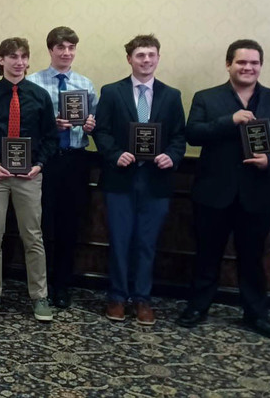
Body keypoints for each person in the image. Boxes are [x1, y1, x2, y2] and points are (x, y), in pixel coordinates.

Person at [177, 40, 270, 340]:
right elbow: (192, 134)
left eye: (254, 63)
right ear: (228, 64)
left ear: (260, 66)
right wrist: (228, 121)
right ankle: (198, 307)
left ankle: (256, 314)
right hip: (213, 193)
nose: (248, 68)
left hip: (258, 195)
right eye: (241, 63)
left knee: (253, 258)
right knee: (207, 255)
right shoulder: (207, 98)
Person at [94, 34, 186, 325]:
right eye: (140, 55)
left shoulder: (172, 96)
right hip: (120, 179)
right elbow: (102, 131)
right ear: (129, 59)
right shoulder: (111, 92)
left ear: (158, 58)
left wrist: (171, 156)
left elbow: (179, 137)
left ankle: (143, 299)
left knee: (147, 242)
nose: (146, 60)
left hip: (156, 181)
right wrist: (114, 153)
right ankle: (117, 297)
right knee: (120, 240)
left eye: (151, 55)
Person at [0, 37, 58, 321]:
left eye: (23, 57)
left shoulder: (40, 96)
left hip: (29, 177)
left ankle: (40, 296)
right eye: (12, 56)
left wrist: (39, 165)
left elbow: (51, 139)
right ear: (1, 60)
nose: (18, 62)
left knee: (33, 237)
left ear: (28, 61)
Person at [27, 26, 97, 309]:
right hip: (45, 161)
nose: (66, 53)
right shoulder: (33, 82)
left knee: (70, 225)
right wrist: (49, 125)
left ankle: (63, 285)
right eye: (61, 48)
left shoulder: (85, 84)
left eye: (71, 48)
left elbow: (98, 126)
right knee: (42, 226)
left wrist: (92, 125)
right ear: (50, 50)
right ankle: (40, 285)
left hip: (76, 160)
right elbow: (26, 126)